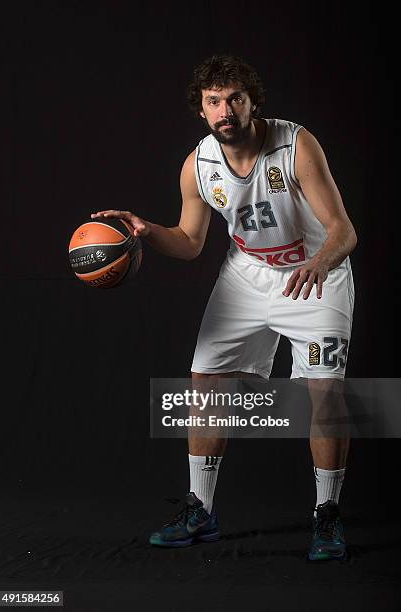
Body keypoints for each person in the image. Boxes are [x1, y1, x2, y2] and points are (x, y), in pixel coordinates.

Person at [91, 55, 357, 561]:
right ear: (202, 110)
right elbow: (190, 242)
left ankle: (327, 515)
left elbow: (344, 231)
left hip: (313, 273)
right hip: (248, 273)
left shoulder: (296, 147)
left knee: (325, 395)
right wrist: (145, 231)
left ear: (252, 102)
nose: (225, 109)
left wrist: (320, 262)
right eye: (214, 101)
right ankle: (201, 511)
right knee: (206, 381)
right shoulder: (197, 166)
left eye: (235, 97)